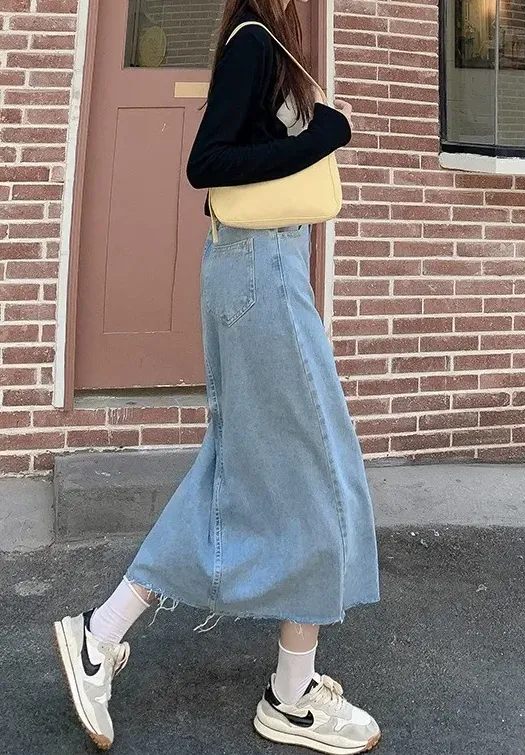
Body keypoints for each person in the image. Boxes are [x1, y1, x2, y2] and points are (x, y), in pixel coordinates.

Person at [53, 0, 381, 752]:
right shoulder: (255, 43)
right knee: (317, 470)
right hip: (261, 273)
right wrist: (326, 131)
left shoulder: (266, 43)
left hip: (262, 267)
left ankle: (102, 635)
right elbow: (208, 163)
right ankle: (289, 698)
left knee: (253, 465)